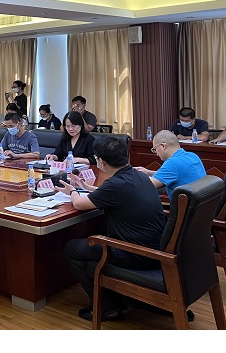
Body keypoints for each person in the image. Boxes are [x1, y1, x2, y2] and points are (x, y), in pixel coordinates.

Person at [58, 137, 166, 321]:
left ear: (102, 162)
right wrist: (85, 187)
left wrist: (72, 191)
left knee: (72, 248)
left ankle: (106, 306)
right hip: (156, 247)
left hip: (136, 254)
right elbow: (110, 194)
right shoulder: (138, 175)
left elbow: (79, 204)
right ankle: (113, 296)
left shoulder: (115, 184)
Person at [135, 130, 206, 199]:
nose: (156, 154)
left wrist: (131, 175)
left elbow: (146, 185)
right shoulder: (193, 156)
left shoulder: (172, 163)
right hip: (200, 205)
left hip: (182, 206)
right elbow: (175, 174)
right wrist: (148, 172)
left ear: (163, 146)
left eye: (155, 149)